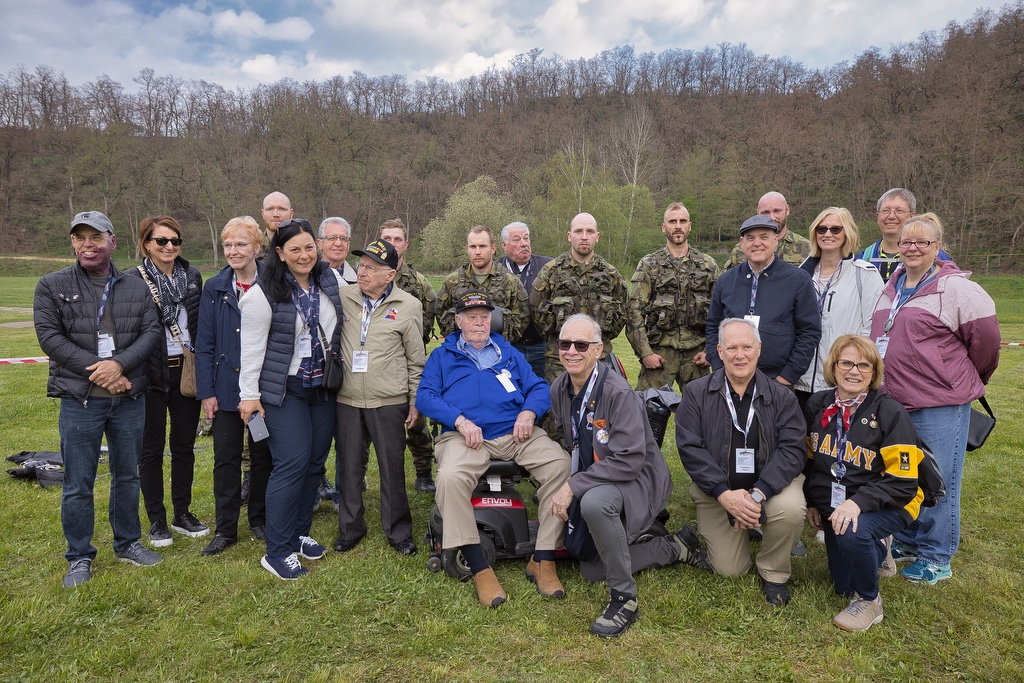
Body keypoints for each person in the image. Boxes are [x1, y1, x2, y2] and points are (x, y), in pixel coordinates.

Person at [549, 314, 710, 637]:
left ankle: (624, 598)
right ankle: (675, 547)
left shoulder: (616, 392)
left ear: (599, 350)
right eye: (565, 344)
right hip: (598, 474)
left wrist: (574, 485)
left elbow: (630, 460)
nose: (571, 351)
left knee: (595, 503)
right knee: (591, 568)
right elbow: (572, 442)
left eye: (581, 345)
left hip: (636, 477)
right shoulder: (559, 388)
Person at [416, 290, 570, 608]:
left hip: (514, 432)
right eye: (471, 317)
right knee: (450, 477)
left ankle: (543, 557)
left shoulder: (508, 352)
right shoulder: (442, 357)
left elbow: (539, 387)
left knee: (561, 465)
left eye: (485, 317)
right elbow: (425, 397)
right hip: (464, 436)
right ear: (458, 322)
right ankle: (479, 566)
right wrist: (459, 421)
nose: (479, 323)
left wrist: (529, 413)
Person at [868, 213, 1000, 584]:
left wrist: (959, 379)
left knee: (939, 480)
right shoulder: (891, 286)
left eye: (922, 242)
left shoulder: (956, 289)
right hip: (895, 401)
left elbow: (987, 344)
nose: (912, 248)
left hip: (939, 403)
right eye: (906, 242)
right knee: (906, 473)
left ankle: (937, 555)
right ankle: (909, 540)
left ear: (937, 247)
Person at [34, 210, 164, 587]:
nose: (87, 245)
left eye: (96, 237)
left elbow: (151, 332)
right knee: (78, 483)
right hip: (81, 400)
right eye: (80, 238)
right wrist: (102, 370)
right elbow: (50, 339)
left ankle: (127, 543)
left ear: (112, 241)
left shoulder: (136, 286)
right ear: (73, 242)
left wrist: (119, 365)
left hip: (128, 399)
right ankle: (79, 556)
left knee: (127, 475)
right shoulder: (51, 284)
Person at [676, 318, 807, 606]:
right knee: (729, 569)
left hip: (769, 488)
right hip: (718, 491)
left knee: (790, 507)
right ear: (719, 352)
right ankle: (744, 526)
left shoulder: (782, 396)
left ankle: (773, 572)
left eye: (747, 347)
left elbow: (792, 450)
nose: (740, 355)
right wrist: (724, 495)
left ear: (759, 349)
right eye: (732, 348)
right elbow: (690, 449)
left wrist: (757, 495)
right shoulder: (696, 393)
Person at [238, 218, 342, 579]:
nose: (304, 255)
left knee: (314, 463)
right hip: (284, 389)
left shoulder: (329, 280)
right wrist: (249, 396)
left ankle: (298, 534)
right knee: (292, 463)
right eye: (294, 249)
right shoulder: (262, 294)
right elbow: (251, 350)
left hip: (323, 386)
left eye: (309, 247)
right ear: (280, 253)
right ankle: (277, 551)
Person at [804, 335, 927, 631]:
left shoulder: (890, 412)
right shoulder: (818, 404)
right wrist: (812, 502)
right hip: (840, 502)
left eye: (863, 365)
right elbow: (812, 462)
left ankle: (870, 600)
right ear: (833, 366)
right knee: (842, 585)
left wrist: (856, 504)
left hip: (894, 500)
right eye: (846, 363)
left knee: (853, 530)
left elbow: (904, 482)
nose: (854, 371)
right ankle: (878, 549)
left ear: (874, 372)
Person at [333, 239, 424, 557]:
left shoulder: (409, 305)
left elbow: (416, 359)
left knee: (391, 467)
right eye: (361, 265)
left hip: (388, 400)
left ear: (390, 274)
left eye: (372, 268)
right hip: (347, 399)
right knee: (350, 468)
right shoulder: (343, 296)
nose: (362, 272)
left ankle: (398, 531)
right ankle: (350, 528)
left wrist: (414, 400)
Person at [195, 216, 272, 555]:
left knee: (262, 456)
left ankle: (259, 519)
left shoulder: (272, 283)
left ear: (257, 247)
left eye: (241, 244)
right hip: (225, 387)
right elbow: (205, 343)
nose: (233, 251)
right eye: (228, 244)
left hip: (261, 390)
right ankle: (225, 529)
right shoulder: (215, 287)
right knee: (225, 460)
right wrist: (206, 392)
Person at [129, 215, 208, 546]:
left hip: (185, 371)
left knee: (184, 446)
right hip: (149, 372)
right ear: (147, 244)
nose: (169, 246)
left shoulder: (192, 277)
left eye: (175, 241)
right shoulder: (133, 280)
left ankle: (182, 513)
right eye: (161, 241)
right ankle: (156, 520)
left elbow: (200, 324)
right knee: (150, 449)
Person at [705, 214, 821, 388]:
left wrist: (788, 375)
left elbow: (809, 331)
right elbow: (713, 325)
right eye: (750, 238)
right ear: (742, 242)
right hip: (731, 377)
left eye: (764, 237)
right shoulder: (726, 280)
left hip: (777, 380)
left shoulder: (798, 280)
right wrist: (717, 366)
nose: (757, 243)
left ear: (775, 240)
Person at [794, 208, 884, 410]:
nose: (828, 234)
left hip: (844, 381)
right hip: (801, 381)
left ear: (847, 233)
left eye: (835, 229)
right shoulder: (800, 275)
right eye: (822, 229)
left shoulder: (864, 275)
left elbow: (872, 329)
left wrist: (856, 369)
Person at [626, 202, 720, 392]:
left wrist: (710, 351)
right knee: (648, 407)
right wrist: (645, 353)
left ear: (689, 226)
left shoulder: (708, 265)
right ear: (664, 227)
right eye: (672, 221)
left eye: (682, 221)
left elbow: (721, 312)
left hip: (697, 356)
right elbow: (633, 311)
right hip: (659, 354)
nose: (678, 226)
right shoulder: (649, 264)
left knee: (703, 408)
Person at [531, 213, 629, 382]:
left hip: (598, 359)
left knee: (599, 399)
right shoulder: (551, 272)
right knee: (558, 399)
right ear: (569, 236)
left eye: (590, 231)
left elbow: (622, 314)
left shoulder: (611, 275)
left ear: (597, 237)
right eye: (578, 231)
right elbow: (536, 312)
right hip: (559, 360)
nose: (584, 237)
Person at [380, 217, 439, 493]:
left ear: (406, 244)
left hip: (409, 362)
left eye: (397, 239)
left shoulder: (419, 283)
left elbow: (426, 323)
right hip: (375, 364)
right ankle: (362, 473)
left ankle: (423, 472)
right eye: (387, 239)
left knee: (417, 419)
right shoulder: (365, 275)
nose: (392, 244)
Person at [436, 225, 530, 342]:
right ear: (467, 249)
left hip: (498, 348)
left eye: (482, 246)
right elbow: (441, 315)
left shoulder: (510, 281)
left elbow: (522, 319)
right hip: (461, 349)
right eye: (473, 247)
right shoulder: (452, 281)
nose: (477, 252)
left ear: (493, 249)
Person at [497, 221, 553, 379]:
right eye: (517, 239)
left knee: (543, 390)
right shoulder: (496, 271)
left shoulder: (548, 267)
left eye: (526, 238)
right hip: (508, 347)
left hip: (541, 347)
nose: (524, 244)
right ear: (504, 245)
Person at [858, 188, 951, 282]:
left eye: (899, 211)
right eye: (885, 211)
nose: (891, 216)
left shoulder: (938, 258)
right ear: (877, 216)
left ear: (912, 216)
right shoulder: (863, 257)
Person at [725, 192, 812, 268]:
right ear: (758, 213)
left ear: (787, 210)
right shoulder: (741, 250)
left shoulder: (807, 248)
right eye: (765, 212)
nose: (772, 217)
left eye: (777, 211)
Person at [318, 217, 358, 285]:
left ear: (348, 245)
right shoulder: (308, 276)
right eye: (332, 238)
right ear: (320, 244)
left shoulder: (360, 279)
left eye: (343, 238)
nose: (338, 243)